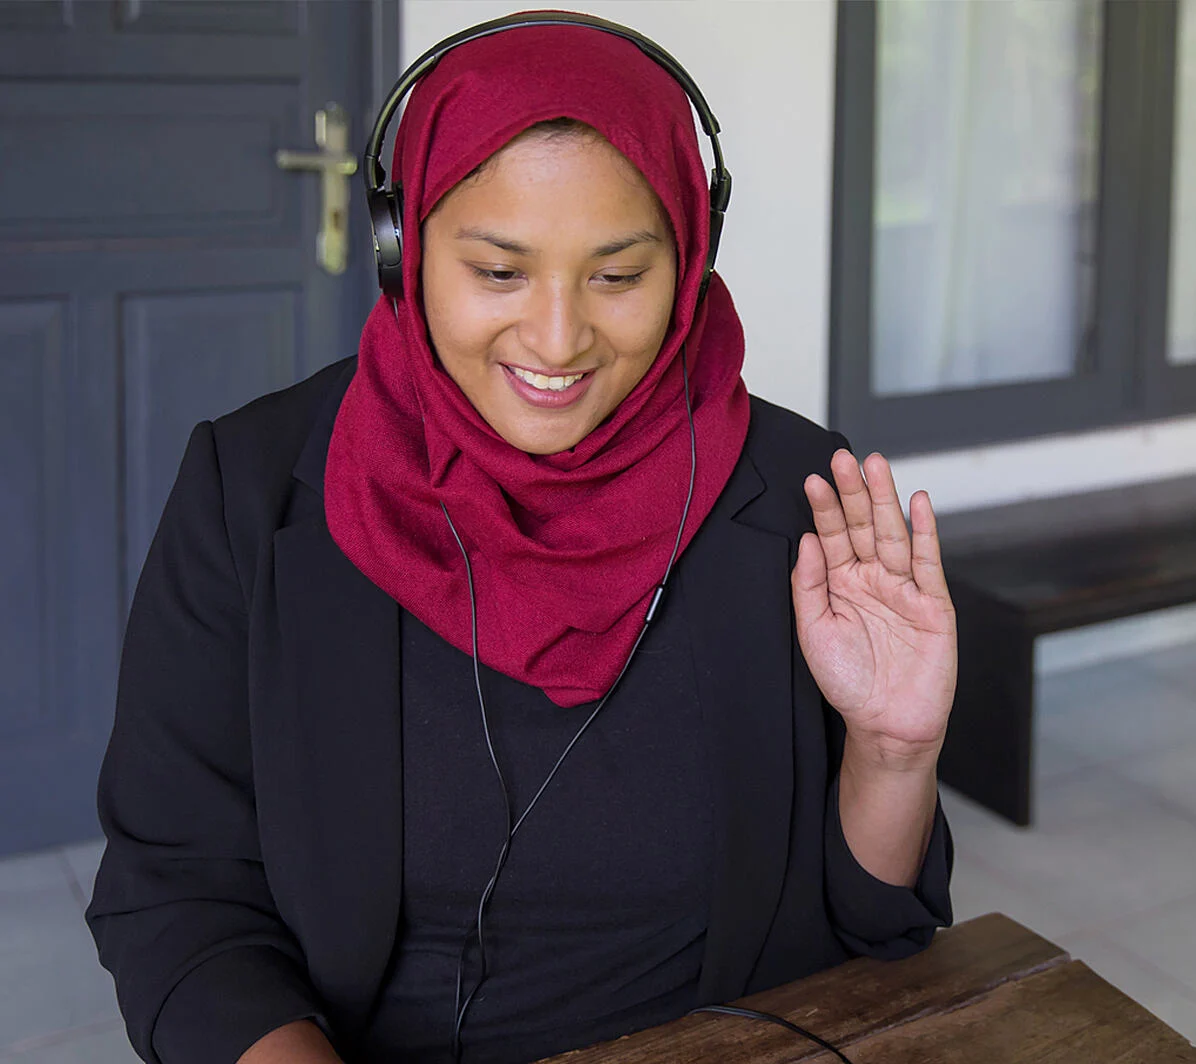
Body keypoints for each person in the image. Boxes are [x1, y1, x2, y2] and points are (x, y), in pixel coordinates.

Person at [87, 15, 955, 1064]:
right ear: (401, 252)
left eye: (618, 275)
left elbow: (872, 934)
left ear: (690, 261)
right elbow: (176, 891)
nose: (557, 339)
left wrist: (893, 755)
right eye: (499, 272)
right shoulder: (253, 493)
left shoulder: (798, 501)